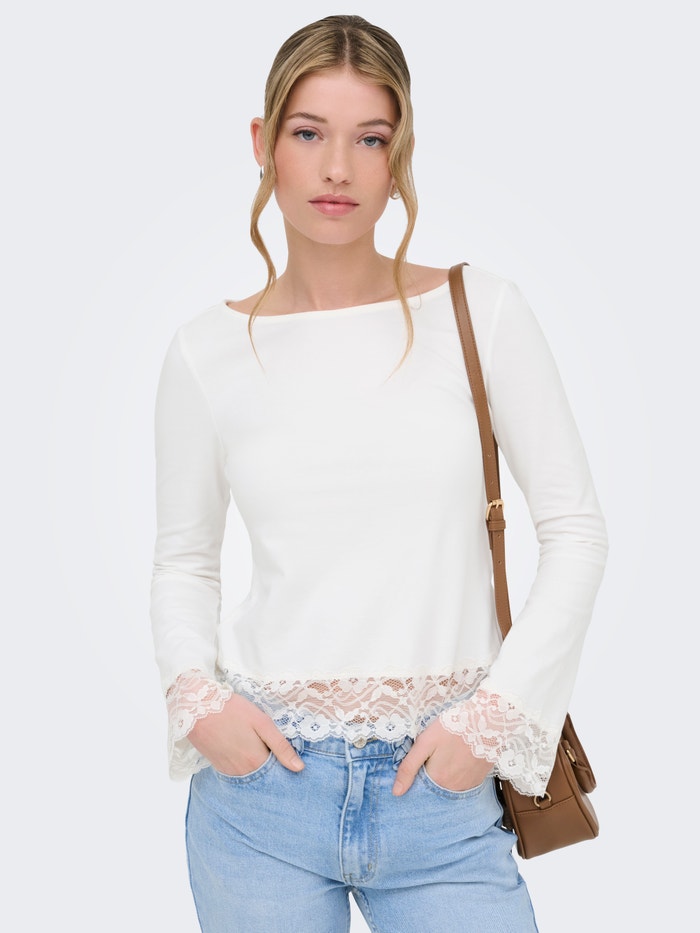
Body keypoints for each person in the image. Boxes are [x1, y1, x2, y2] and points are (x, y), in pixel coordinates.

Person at [150, 14, 608, 933]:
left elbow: (576, 533)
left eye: (370, 139)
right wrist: (197, 702)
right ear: (263, 143)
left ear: (400, 158)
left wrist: (491, 722)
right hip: (260, 801)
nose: (337, 168)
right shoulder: (206, 353)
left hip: (443, 798)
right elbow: (184, 560)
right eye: (308, 133)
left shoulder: (482, 312)